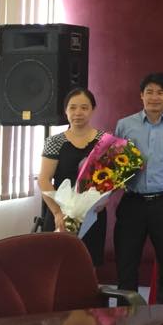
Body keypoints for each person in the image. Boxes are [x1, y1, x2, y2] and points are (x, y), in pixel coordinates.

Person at [114, 72, 163, 303]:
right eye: (149, 92)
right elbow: (115, 163)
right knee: (127, 261)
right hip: (132, 202)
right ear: (141, 95)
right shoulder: (125, 125)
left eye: (160, 92)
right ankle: (126, 316)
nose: (154, 97)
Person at [37, 87, 107, 266]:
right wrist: (57, 213)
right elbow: (44, 179)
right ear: (65, 110)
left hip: (92, 214)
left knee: (88, 265)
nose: (78, 113)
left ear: (93, 110)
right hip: (60, 212)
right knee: (56, 266)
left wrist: (103, 201)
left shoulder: (104, 140)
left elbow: (111, 179)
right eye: (73, 107)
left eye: (84, 108)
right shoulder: (55, 142)